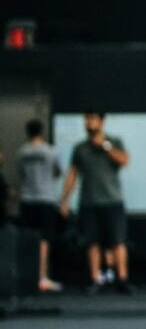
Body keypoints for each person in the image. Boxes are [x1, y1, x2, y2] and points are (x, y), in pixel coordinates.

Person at [59, 111, 134, 295]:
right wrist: (65, 199)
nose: (89, 122)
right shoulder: (80, 148)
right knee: (92, 242)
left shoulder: (113, 142)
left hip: (112, 200)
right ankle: (96, 279)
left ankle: (122, 279)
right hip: (89, 201)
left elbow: (125, 161)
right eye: (86, 119)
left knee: (118, 241)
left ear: (101, 121)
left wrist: (106, 146)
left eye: (93, 118)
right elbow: (72, 174)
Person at [15, 119, 64, 292]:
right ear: (42, 132)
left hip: (27, 200)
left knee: (28, 239)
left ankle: (28, 277)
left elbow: (20, 174)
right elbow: (57, 172)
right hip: (45, 199)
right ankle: (41, 278)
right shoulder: (49, 151)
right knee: (44, 240)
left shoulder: (21, 152)